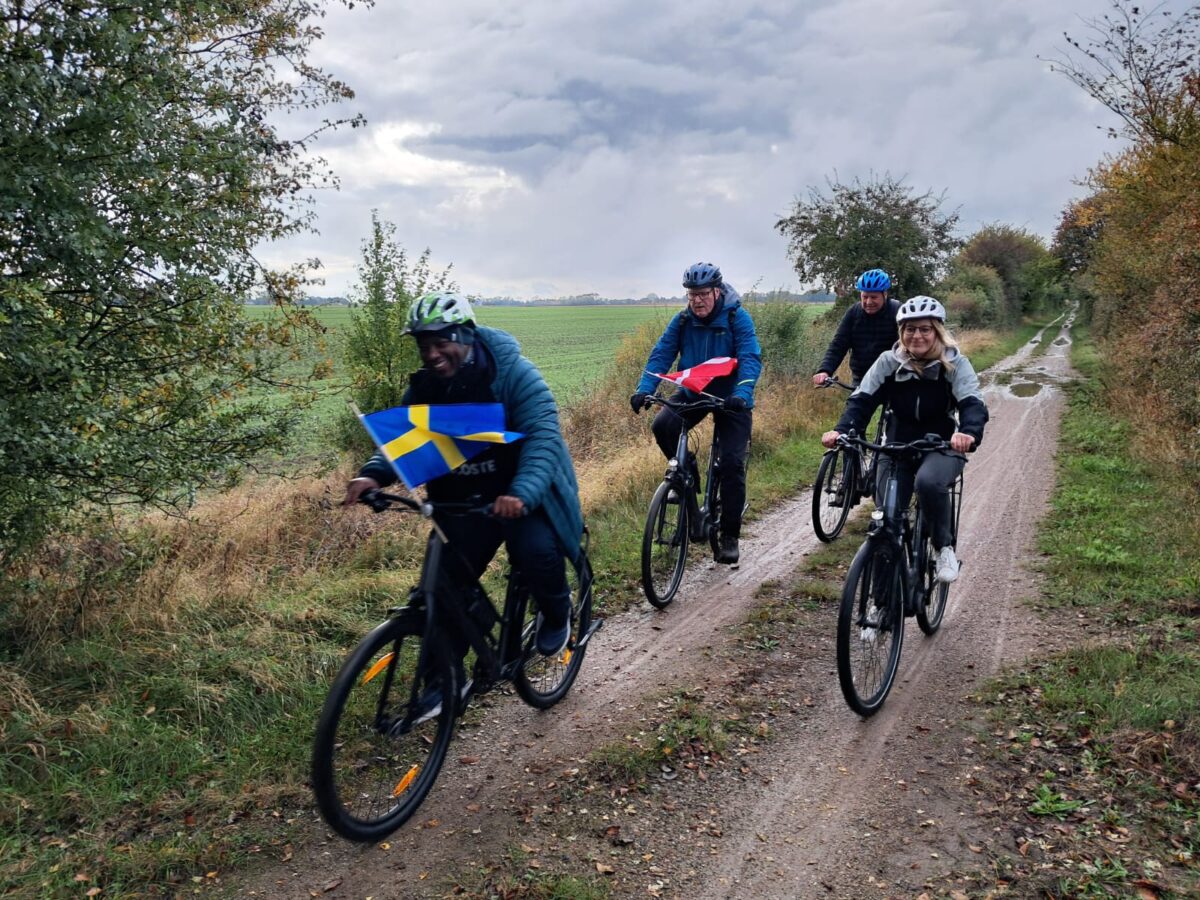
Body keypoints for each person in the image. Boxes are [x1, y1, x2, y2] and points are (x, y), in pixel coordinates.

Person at [344, 291, 584, 688]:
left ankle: (558, 612)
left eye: (441, 343)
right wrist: (373, 473)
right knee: (448, 585)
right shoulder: (426, 387)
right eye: (424, 346)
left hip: (520, 491)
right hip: (462, 499)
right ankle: (442, 685)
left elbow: (543, 439)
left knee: (536, 552)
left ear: (467, 337)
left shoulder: (513, 375)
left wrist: (522, 492)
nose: (432, 354)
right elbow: (407, 439)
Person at [821, 295, 988, 583]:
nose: (917, 335)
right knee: (886, 518)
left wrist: (968, 433)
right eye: (910, 329)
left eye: (924, 329)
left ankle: (943, 548)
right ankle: (879, 605)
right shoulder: (889, 362)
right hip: (896, 444)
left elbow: (973, 403)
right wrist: (843, 430)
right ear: (901, 333)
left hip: (942, 445)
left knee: (929, 483)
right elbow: (862, 400)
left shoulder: (954, 363)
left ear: (937, 330)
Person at [629, 262, 762, 565]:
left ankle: (729, 535)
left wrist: (741, 394)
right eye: (691, 295)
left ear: (716, 291)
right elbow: (661, 353)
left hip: (731, 398)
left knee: (730, 463)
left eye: (702, 294)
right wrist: (644, 388)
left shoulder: (736, 317)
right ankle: (687, 475)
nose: (697, 300)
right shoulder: (683, 320)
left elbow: (751, 357)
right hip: (695, 391)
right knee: (663, 425)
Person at [812, 269, 900, 388]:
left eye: (874, 297)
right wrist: (825, 370)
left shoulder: (897, 312)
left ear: (884, 295)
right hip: (862, 380)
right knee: (853, 406)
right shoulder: (854, 313)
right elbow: (838, 345)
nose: (868, 302)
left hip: (893, 379)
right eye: (865, 297)